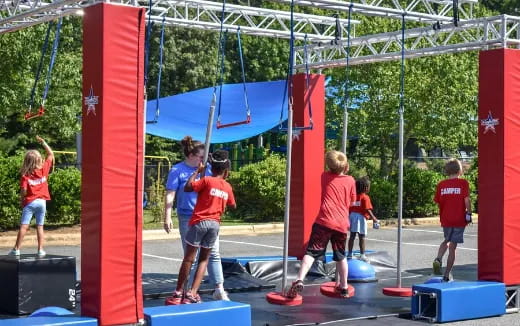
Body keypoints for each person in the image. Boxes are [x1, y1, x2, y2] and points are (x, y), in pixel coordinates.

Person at [163, 136, 229, 300]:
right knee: (190, 256)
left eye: (205, 157)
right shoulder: (177, 170)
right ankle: (187, 290)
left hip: (207, 216)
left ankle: (219, 288)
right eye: (201, 156)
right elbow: (170, 194)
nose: (203, 160)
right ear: (191, 155)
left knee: (213, 253)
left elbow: (219, 182)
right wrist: (167, 216)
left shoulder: (207, 169)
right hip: (187, 216)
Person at [286, 150, 356, 299]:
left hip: (323, 222)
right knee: (341, 256)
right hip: (341, 225)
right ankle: (343, 287)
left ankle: (299, 279)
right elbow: (352, 201)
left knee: (311, 253)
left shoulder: (324, 177)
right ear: (346, 167)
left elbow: (332, 171)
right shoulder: (350, 180)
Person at [8, 136, 54, 257]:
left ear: (27, 161)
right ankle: (40, 250)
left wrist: (22, 200)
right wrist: (43, 142)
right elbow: (50, 154)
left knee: (24, 226)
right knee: (40, 226)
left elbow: (23, 190)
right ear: (39, 160)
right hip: (42, 202)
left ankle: (16, 249)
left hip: (30, 202)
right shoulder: (44, 169)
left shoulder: (25, 175)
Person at [432, 158, 471, 282]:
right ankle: (447, 274)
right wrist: (469, 213)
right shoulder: (463, 183)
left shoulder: (441, 185)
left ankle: (438, 258)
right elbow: (467, 200)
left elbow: (439, 201)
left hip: (446, 219)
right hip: (459, 219)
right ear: (459, 170)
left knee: (446, 240)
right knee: (453, 247)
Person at [347, 176, 380, 262]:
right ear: (365, 188)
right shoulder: (365, 197)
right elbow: (367, 209)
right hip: (360, 218)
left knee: (352, 236)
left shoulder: (353, 197)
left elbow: (349, 207)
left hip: (352, 217)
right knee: (362, 237)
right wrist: (374, 218)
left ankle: (349, 254)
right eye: (369, 187)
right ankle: (362, 255)